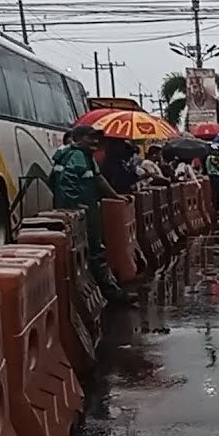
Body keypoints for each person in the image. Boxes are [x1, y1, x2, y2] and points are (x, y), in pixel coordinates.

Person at [50, 125, 135, 304]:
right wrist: (76, 209)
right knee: (95, 252)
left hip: (79, 212)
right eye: (91, 137)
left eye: (97, 138)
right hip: (82, 214)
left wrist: (115, 195)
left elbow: (98, 179)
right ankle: (112, 293)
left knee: (88, 252)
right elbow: (67, 185)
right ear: (78, 138)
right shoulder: (77, 157)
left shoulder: (79, 156)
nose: (96, 141)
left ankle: (108, 291)